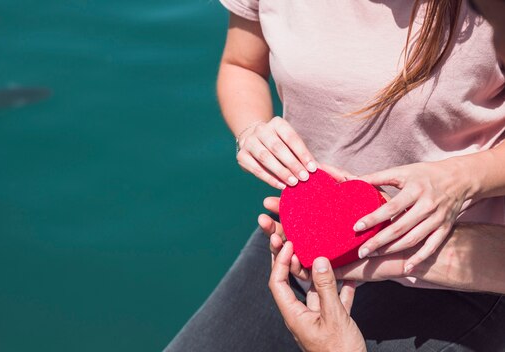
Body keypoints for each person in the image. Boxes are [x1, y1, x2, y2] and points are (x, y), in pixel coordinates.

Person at [166, 0, 505, 350]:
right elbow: (241, 65)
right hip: (303, 236)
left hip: (458, 259)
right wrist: (252, 130)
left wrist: (463, 177)